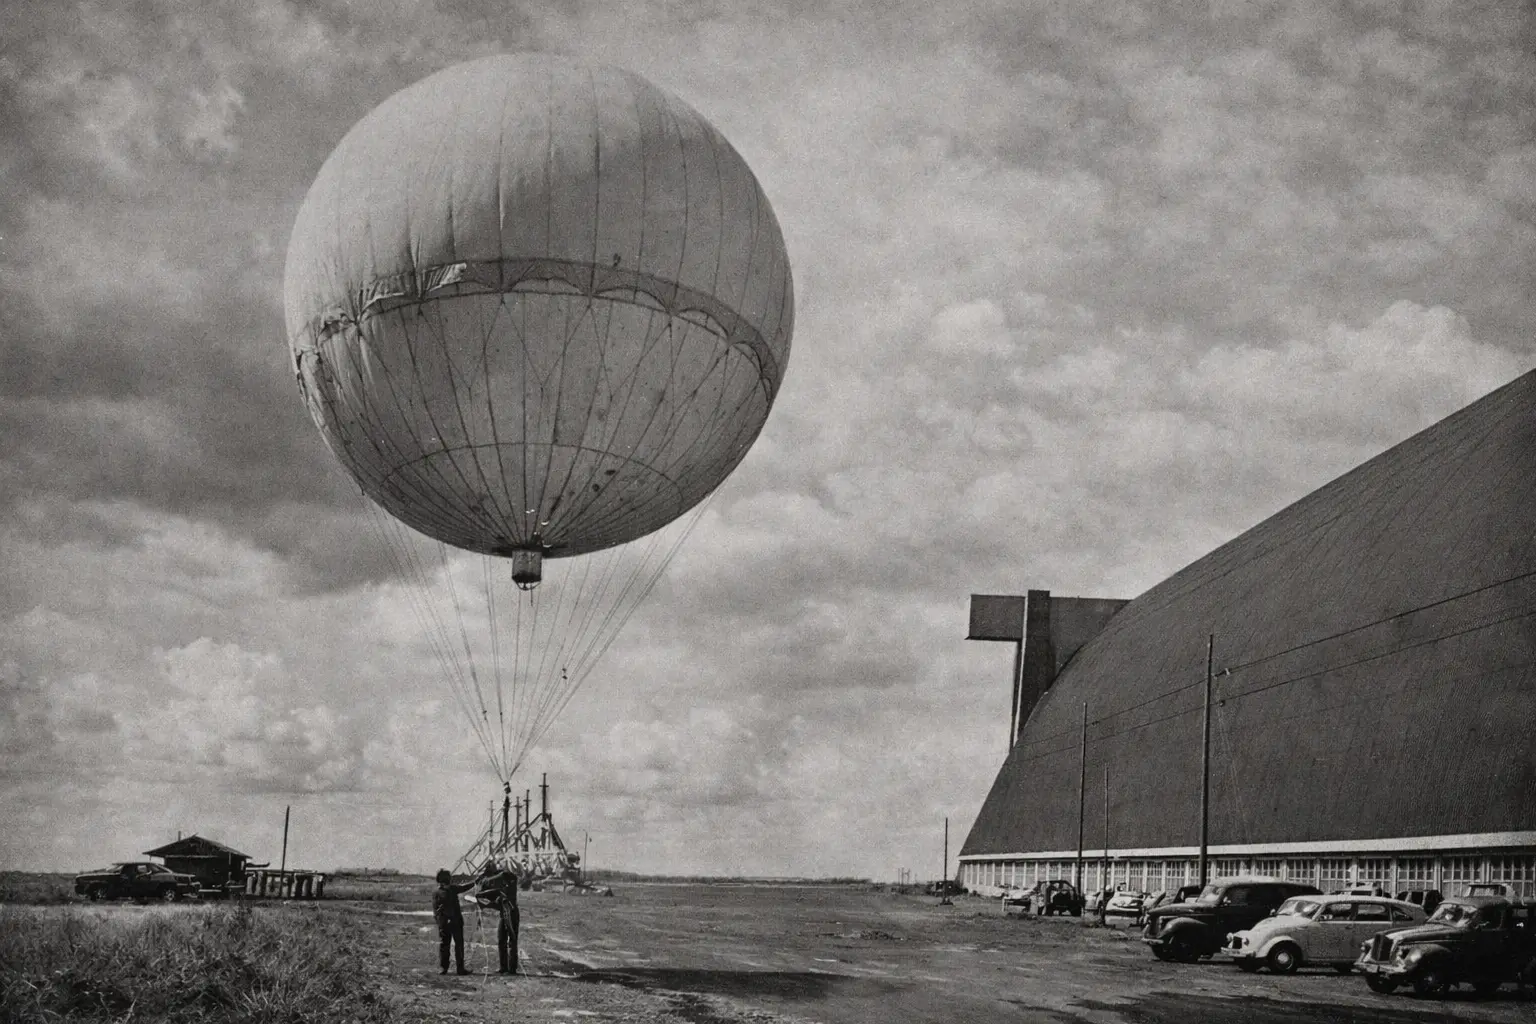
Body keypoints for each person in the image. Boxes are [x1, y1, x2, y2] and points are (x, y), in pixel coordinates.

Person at [478, 860, 521, 974]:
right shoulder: (501, 886)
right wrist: (485, 902)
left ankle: (512, 969)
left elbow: (501, 879)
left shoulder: (509, 878)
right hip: (506, 914)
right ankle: (504, 968)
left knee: (511, 941)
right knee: (502, 940)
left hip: (511, 914)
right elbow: (496, 901)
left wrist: (485, 881)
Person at [432, 868, 475, 975]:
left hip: (450, 923)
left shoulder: (440, 891)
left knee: (449, 945)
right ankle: (454, 968)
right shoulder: (449, 890)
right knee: (451, 945)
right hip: (450, 923)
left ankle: (447, 968)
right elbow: (436, 910)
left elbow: (435, 911)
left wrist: (440, 922)